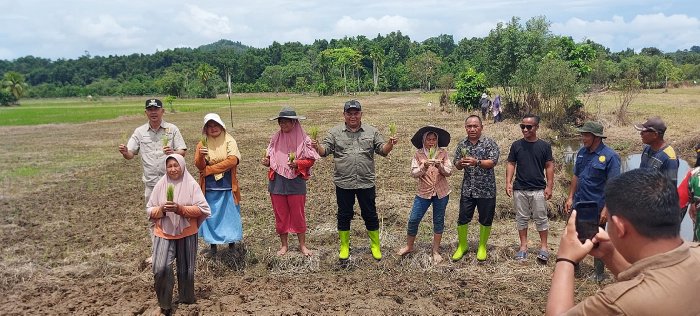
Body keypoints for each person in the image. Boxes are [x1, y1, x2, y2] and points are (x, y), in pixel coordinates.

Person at [545, 169, 700, 315]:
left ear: (620, 227)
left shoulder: (618, 303)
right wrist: (609, 253)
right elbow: (652, 279)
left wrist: (565, 259)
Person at [312, 100, 398, 260]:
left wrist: (390, 144)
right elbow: (324, 152)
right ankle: (344, 246)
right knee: (344, 214)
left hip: (366, 181)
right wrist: (317, 146)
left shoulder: (371, 131)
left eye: (356, 113)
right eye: (349, 113)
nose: (353, 116)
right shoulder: (334, 133)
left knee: (370, 214)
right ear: (344, 114)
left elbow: (382, 150)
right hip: (344, 182)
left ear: (361, 114)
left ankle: (375, 246)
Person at [119, 98, 187, 263]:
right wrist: (124, 152)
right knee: (154, 218)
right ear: (146, 113)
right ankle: (158, 252)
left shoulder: (172, 129)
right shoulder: (139, 132)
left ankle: (178, 251)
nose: (153, 112)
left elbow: (182, 151)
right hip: (151, 184)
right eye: (150, 109)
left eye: (156, 109)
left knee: (176, 216)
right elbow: (130, 154)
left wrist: (173, 152)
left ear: (162, 111)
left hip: (172, 182)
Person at [147, 154, 211, 316]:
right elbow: (149, 210)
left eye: (176, 165)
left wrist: (180, 209)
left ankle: (187, 300)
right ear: (165, 168)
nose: (173, 169)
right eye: (169, 166)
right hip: (164, 232)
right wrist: (161, 210)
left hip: (187, 231)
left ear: (182, 166)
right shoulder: (161, 185)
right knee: (160, 267)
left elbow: (202, 209)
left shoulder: (191, 184)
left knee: (186, 270)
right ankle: (165, 305)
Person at [564, 121, 621, 281]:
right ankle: (574, 268)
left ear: (596, 137)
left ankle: (599, 274)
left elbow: (613, 185)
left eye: (585, 135)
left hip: (596, 206)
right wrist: (570, 197)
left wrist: (606, 209)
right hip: (579, 203)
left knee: (597, 239)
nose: (582, 138)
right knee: (572, 235)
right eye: (582, 134)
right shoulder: (582, 152)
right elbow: (576, 176)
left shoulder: (611, 157)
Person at [262, 107, 320, 256]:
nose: (283, 125)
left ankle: (302, 245)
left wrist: (298, 164)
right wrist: (266, 161)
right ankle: (284, 245)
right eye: (281, 122)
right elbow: (271, 158)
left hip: (296, 181)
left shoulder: (304, 139)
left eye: (286, 122)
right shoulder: (275, 138)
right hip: (277, 181)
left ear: (294, 122)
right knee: (280, 214)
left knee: (298, 213)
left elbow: (311, 160)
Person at [397, 126, 453, 263]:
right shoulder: (418, 154)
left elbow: (449, 171)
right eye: (428, 139)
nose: (431, 142)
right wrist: (424, 166)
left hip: (441, 192)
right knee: (414, 219)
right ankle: (409, 246)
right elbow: (414, 173)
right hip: (423, 193)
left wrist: (440, 166)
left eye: (434, 139)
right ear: (424, 140)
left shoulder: (443, 153)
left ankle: (435, 251)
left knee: (438, 221)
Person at [505, 114, 555, 263]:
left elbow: (549, 165)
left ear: (537, 127)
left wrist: (549, 185)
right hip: (520, 188)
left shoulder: (544, 146)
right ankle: (523, 247)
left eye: (529, 127)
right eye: (522, 126)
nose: (525, 129)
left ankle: (544, 248)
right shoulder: (516, 145)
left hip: (538, 189)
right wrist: (508, 182)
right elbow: (511, 163)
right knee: (521, 218)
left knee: (541, 218)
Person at [451, 115, 500, 262]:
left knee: (485, 219)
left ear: (481, 127)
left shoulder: (489, 143)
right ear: (465, 128)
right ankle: (463, 245)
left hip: (486, 189)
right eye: (469, 126)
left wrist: (476, 162)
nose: (472, 129)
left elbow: (492, 162)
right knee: (463, 218)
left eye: (475, 126)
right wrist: (460, 163)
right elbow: (456, 165)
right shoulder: (462, 144)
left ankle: (482, 246)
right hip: (468, 189)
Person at [194, 113, 243, 256]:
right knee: (211, 216)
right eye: (210, 126)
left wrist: (210, 169)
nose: (213, 128)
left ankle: (232, 246)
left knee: (229, 216)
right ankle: (213, 247)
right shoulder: (202, 143)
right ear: (206, 129)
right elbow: (199, 165)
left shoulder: (229, 140)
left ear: (221, 126)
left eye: (216, 125)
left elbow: (232, 160)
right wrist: (200, 156)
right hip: (209, 187)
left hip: (227, 185)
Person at [634, 117, 679, 185]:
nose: (641, 134)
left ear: (655, 135)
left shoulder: (670, 158)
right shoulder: (647, 149)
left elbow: (671, 188)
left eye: (644, 131)